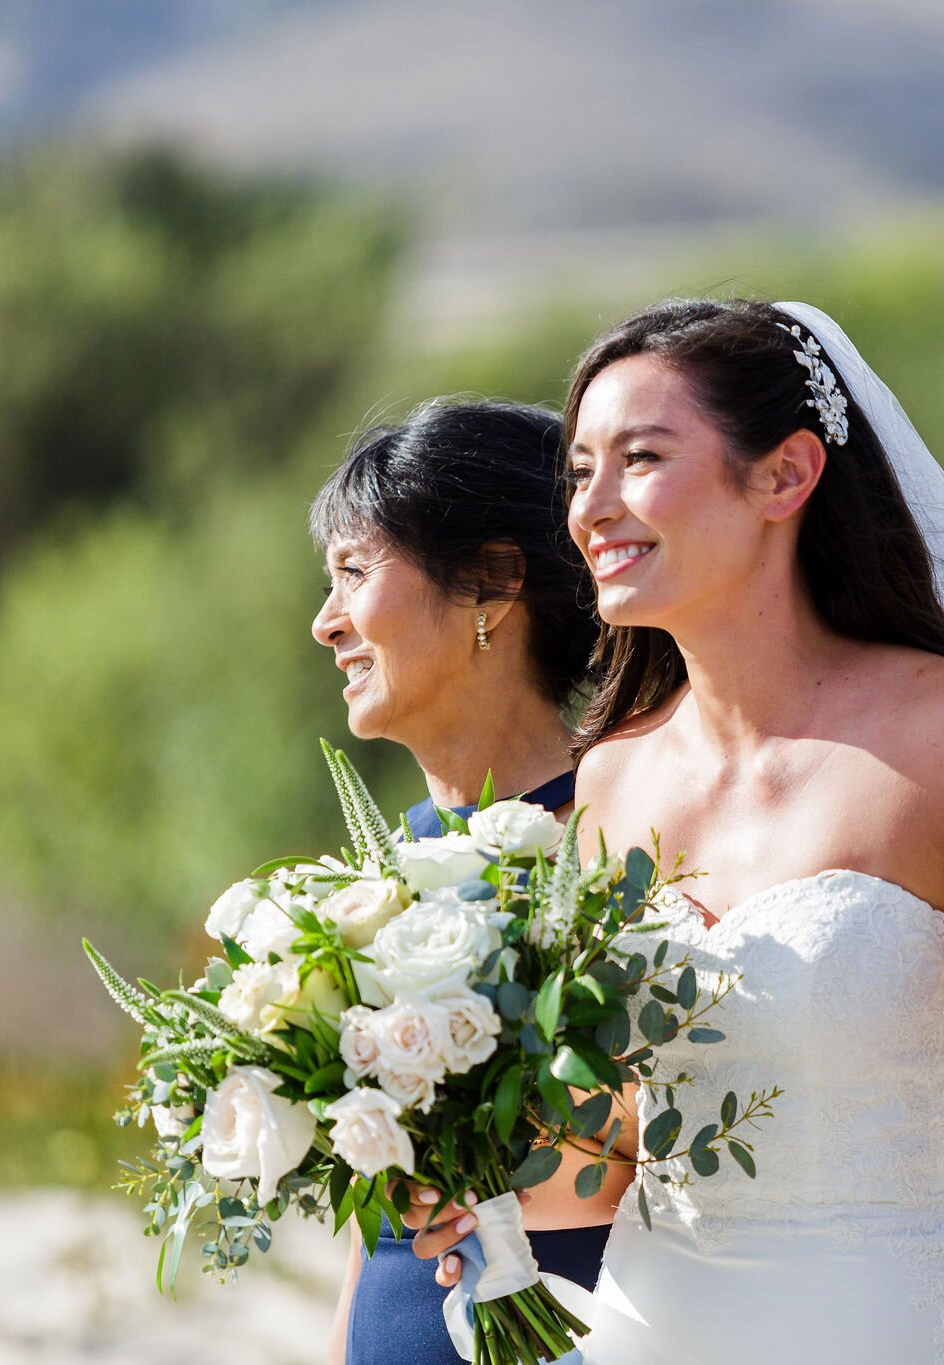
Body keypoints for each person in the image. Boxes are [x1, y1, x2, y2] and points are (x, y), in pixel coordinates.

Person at [559, 297, 944, 1364]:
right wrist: (429, 1120)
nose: (591, 508)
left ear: (785, 476)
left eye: (639, 459)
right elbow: (608, 1135)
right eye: (577, 472)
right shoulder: (605, 784)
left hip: (892, 1322)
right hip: (653, 1326)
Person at [308, 398, 629, 1365]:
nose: (326, 625)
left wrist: (494, 1176)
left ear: (493, 581)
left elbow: (680, 1148)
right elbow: (368, 1244)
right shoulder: (383, 866)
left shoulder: (623, 843)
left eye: (353, 574)